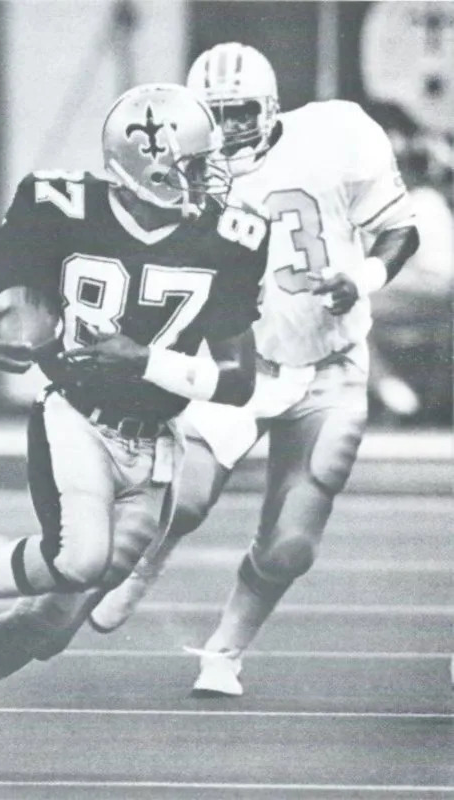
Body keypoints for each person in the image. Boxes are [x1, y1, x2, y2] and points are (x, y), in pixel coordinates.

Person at [0, 82, 269, 767]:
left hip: (155, 445)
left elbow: (239, 377)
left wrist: (147, 360)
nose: (205, 176)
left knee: (46, 626)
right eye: (190, 164)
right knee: (77, 557)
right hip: (75, 413)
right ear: (147, 164)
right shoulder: (61, 206)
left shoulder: (228, 235)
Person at [88, 42, 420, 697]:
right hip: (238, 360)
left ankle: (224, 651)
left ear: (269, 107)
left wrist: (362, 276)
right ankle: (145, 563)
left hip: (331, 363)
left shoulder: (336, 133)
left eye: (238, 111)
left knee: (289, 546)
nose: (227, 127)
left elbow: (399, 229)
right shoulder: (175, 174)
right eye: (212, 115)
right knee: (184, 498)